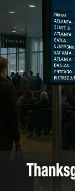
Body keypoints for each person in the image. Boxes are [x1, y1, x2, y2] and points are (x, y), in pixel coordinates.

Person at [0, 57, 21, 190]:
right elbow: (13, 115)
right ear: (4, 69)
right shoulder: (7, 87)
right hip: (3, 136)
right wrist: (17, 138)